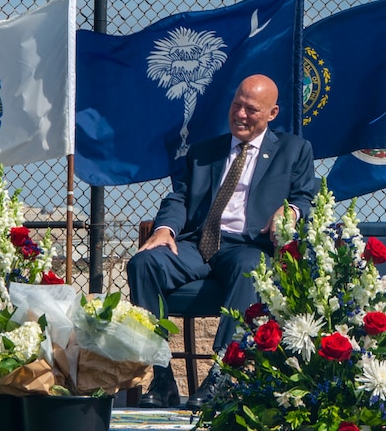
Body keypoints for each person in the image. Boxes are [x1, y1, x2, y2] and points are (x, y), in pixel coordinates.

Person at [128, 74, 316, 408]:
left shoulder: (293, 150)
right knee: (143, 263)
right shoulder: (205, 151)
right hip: (198, 244)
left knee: (252, 268)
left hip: (248, 245)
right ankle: (161, 377)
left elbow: (304, 198)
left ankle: (221, 376)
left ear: (272, 114)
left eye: (251, 109)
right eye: (237, 105)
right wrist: (165, 229)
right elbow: (180, 197)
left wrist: (291, 213)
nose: (241, 114)